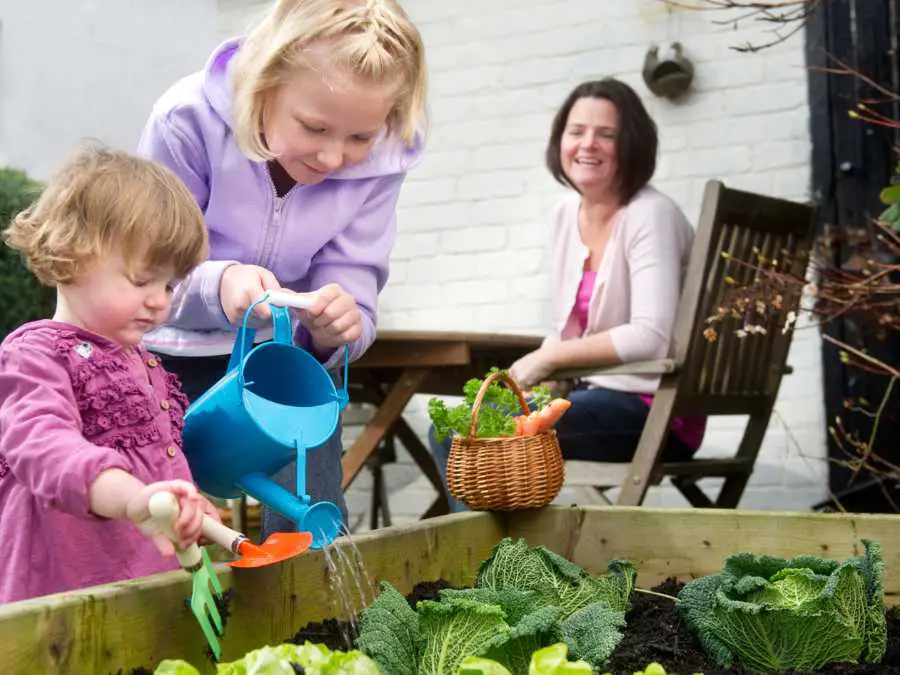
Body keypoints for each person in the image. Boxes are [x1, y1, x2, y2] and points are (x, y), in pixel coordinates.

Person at [135, 0, 427, 537]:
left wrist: (343, 324)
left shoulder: (384, 163)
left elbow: (355, 279)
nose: (334, 157)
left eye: (360, 137)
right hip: (163, 355)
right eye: (314, 127)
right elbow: (139, 274)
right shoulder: (188, 120)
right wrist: (218, 284)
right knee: (145, 520)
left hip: (281, 361)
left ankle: (310, 606)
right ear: (264, 85)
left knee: (309, 514)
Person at [429, 78, 706, 511]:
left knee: (481, 432)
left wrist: (549, 358)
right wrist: (543, 371)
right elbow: (565, 328)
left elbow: (650, 336)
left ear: (631, 143)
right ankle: (501, 561)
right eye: (576, 131)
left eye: (606, 133)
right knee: (457, 426)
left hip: (656, 409)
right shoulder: (564, 215)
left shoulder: (652, 214)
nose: (587, 144)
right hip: (593, 397)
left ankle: (496, 562)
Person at [0, 145, 220, 604]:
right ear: (72, 254)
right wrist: (131, 498)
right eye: (142, 280)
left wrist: (187, 510)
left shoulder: (148, 363)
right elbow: (43, 445)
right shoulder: (35, 354)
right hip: (61, 601)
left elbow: (162, 465)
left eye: (170, 285)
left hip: (146, 587)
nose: (160, 300)